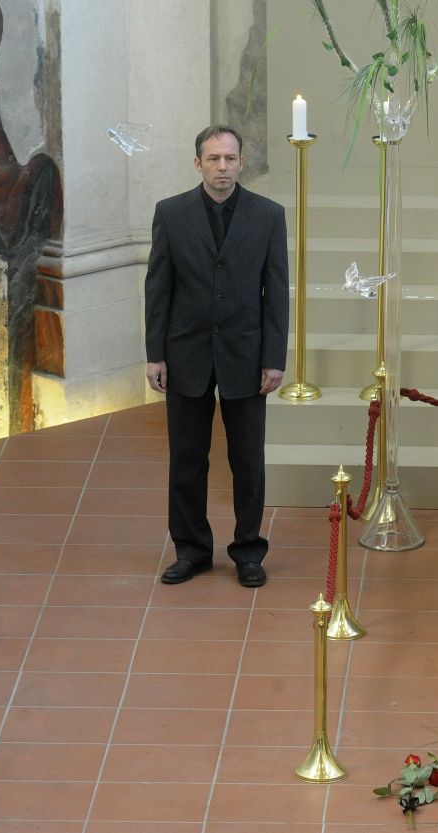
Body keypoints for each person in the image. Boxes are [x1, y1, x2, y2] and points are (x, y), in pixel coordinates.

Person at [144, 124, 288, 588]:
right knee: (187, 460)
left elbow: (276, 293)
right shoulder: (171, 214)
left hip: (247, 355)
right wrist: (154, 354)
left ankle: (248, 551)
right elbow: (158, 289)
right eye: (213, 159)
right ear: (197, 163)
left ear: (241, 162)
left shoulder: (268, 216)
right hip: (186, 354)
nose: (222, 167)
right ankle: (191, 550)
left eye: (229, 158)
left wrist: (274, 357)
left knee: (248, 461)